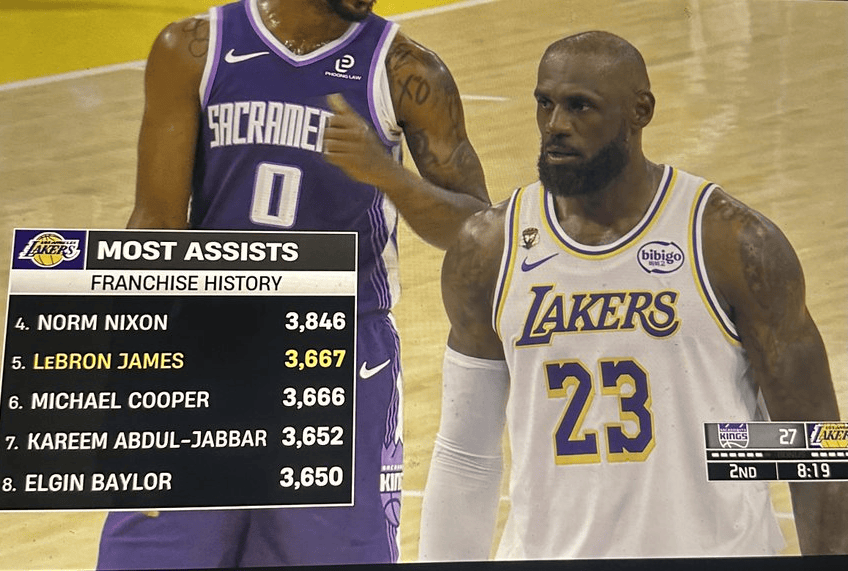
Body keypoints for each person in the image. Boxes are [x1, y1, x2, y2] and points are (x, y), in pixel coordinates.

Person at [417, 31, 848, 560]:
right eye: (545, 104)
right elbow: (465, 456)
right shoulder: (489, 249)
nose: (556, 125)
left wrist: (717, 451)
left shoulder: (734, 244)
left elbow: (814, 445)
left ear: (641, 111)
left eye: (581, 107)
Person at [96, 0, 489, 568]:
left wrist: (389, 175)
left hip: (338, 355)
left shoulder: (405, 70)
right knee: (155, 556)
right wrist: (122, 359)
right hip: (206, 349)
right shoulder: (193, 49)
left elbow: (477, 229)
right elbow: (156, 222)